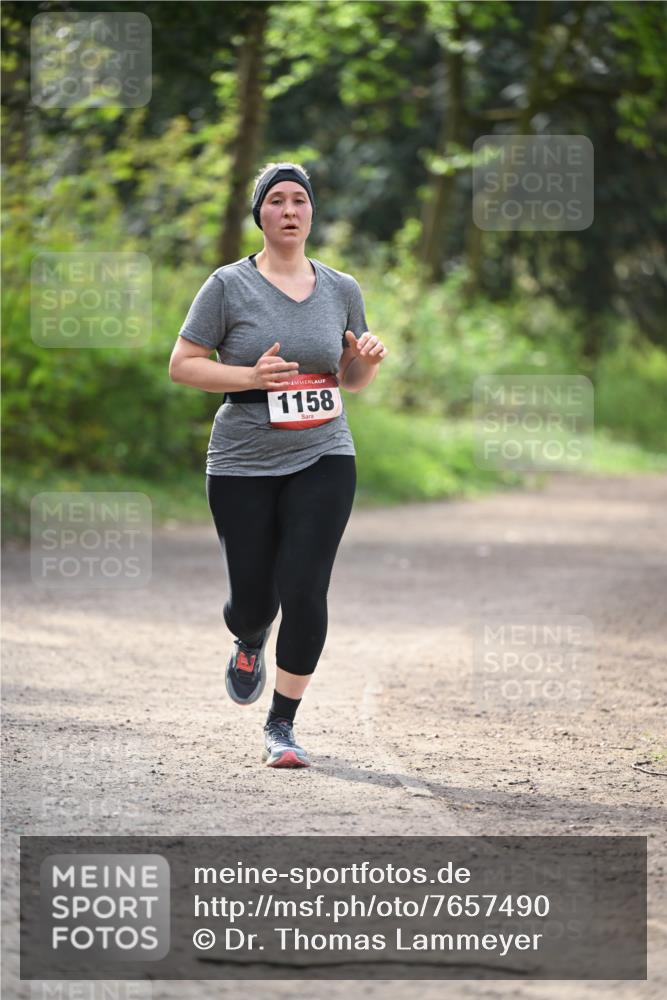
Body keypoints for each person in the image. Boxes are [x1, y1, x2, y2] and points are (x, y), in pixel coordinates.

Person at [169, 161, 388, 768]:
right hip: (242, 458)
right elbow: (182, 364)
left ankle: (282, 726)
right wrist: (249, 375)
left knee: (306, 586)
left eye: (300, 201)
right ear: (260, 214)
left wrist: (366, 358)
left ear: (311, 213)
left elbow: (351, 380)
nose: (290, 210)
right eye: (277, 201)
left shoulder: (342, 288)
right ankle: (248, 637)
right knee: (254, 599)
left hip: (323, 451)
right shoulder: (227, 286)